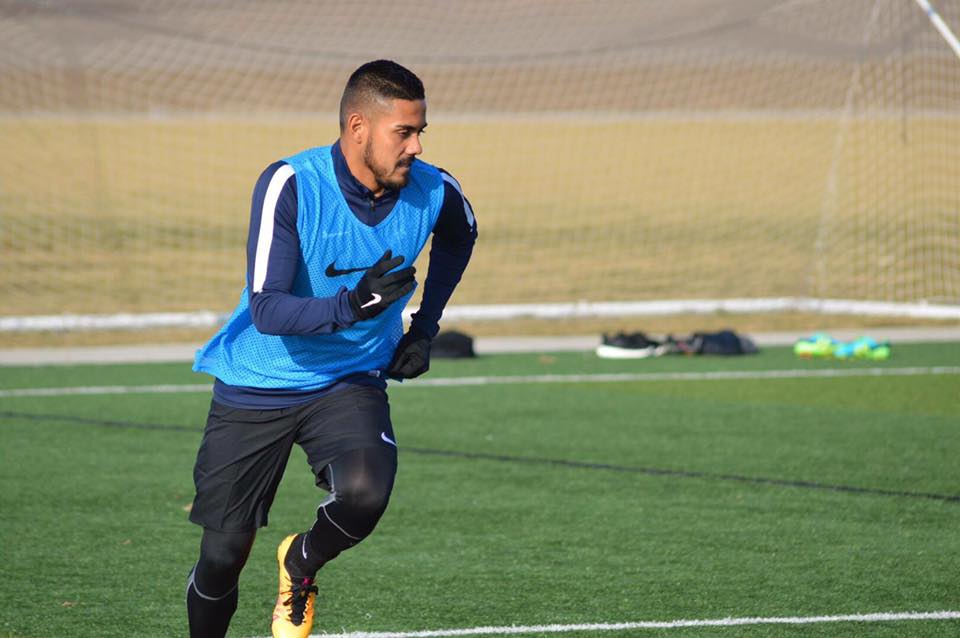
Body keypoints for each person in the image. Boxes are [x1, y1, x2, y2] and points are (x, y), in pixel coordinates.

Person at [185, 59, 477, 638]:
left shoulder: (434, 189)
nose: (416, 146)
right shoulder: (290, 184)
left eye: (422, 132)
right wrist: (352, 305)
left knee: (366, 494)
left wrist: (424, 330)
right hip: (259, 383)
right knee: (223, 555)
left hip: (349, 380)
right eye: (404, 132)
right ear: (358, 127)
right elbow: (267, 309)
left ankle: (300, 563)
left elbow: (461, 236)